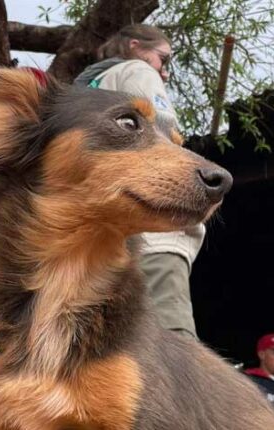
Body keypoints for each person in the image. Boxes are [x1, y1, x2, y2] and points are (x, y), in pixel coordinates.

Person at [74, 24, 205, 336]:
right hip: (151, 232)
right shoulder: (137, 71)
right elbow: (159, 132)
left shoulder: (89, 88)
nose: (165, 72)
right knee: (172, 348)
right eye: (164, 59)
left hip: (99, 241)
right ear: (135, 46)